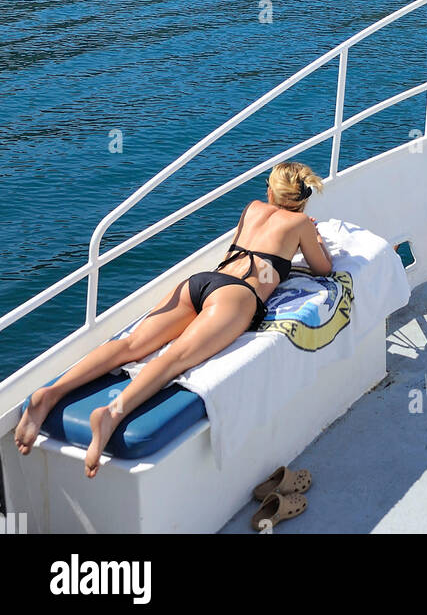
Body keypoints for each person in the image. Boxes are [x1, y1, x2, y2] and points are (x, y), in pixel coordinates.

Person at [14, 161, 332, 479]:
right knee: (174, 358)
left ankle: (51, 393)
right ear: (301, 196)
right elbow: (323, 269)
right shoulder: (301, 222)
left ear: (270, 190)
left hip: (202, 282)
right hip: (238, 296)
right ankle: (111, 413)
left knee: (131, 345)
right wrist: (315, 237)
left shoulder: (252, 207)